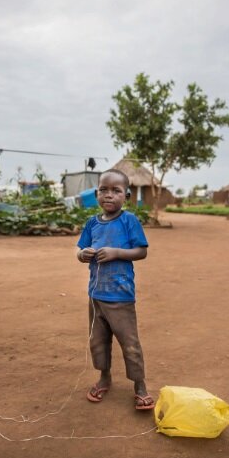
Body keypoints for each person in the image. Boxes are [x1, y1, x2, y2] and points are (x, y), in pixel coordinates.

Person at [76, 168, 154, 410]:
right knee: (97, 341)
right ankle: (104, 377)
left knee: (129, 342)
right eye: (103, 190)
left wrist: (116, 253)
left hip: (120, 295)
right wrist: (83, 254)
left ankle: (140, 385)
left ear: (127, 195)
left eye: (116, 191)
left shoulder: (129, 220)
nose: (108, 195)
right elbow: (79, 250)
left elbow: (141, 251)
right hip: (96, 295)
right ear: (97, 193)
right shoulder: (92, 223)